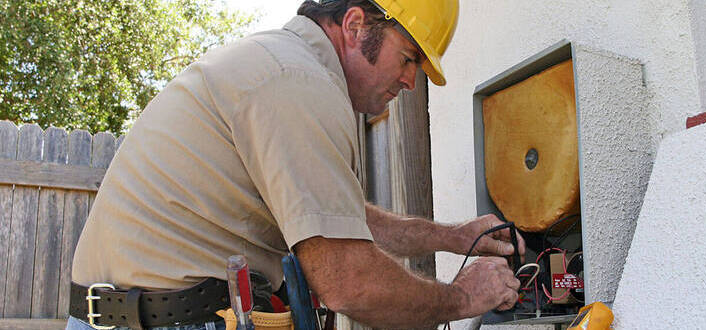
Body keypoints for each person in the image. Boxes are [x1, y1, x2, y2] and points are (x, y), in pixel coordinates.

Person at [67, 0, 522, 329]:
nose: (410, 80)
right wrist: (464, 297)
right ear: (355, 25)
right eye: (408, 58)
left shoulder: (281, 64)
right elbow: (349, 281)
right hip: (170, 319)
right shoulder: (298, 81)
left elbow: (339, 219)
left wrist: (455, 237)